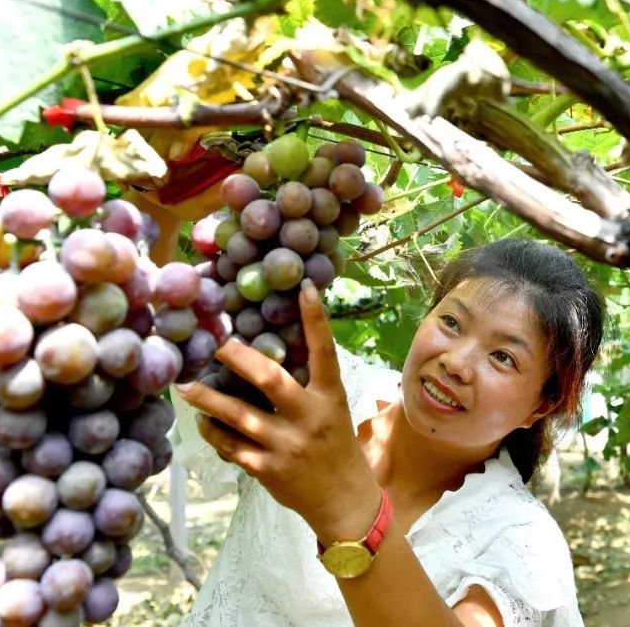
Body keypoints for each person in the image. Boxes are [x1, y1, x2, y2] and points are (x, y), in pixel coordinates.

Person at [173, 239, 606, 627]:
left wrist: (347, 509)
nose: (456, 361)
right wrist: (159, 206)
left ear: (540, 407)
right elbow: (158, 327)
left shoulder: (522, 542)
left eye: (502, 357)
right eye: (452, 323)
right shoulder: (327, 388)